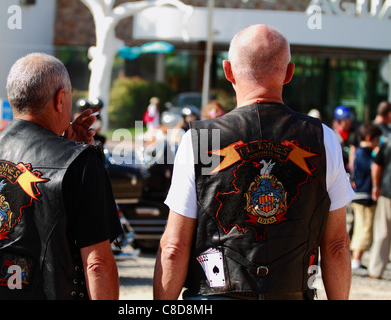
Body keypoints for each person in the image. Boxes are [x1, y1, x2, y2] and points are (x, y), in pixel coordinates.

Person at [154, 25, 354, 300]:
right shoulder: (323, 139)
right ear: (289, 72)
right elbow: (337, 246)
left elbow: (173, 247)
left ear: (228, 71)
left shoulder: (199, 139)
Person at [0, 53, 122, 300]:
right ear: (60, 99)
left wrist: (69, 149)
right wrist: (75, 154)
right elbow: (97, 265)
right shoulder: (80, 163)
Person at [350, 123, 382, 270]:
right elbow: (373, 167)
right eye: (377, 140)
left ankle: (357, 258)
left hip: (362, 195)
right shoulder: (363, 153)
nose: (378, 144)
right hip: (363, 195)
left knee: (362, 227)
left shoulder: (362, 153)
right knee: (364, 229)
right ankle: (355, 259)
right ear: (369, 138)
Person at [367, 136, 391, 279]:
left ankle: (375, 270)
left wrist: (376, 185)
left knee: (382, 232)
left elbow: (376, 165)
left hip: (387, 191)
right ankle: (375, 270)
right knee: (382, 232)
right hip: (387, 192)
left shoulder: (387, 141)